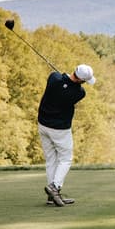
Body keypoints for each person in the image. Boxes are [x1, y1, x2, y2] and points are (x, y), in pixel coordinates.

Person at [37, 64, 96, 206]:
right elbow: (72, 87)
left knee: (51, 160)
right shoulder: (79, 93)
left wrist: (65, 78)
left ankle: (51, 197)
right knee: (65, 159)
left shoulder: (54, 78)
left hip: (43, 124)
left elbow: (59, 77)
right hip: (60, 129)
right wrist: (68, 81)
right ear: (81, 80)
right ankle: (55, 187)